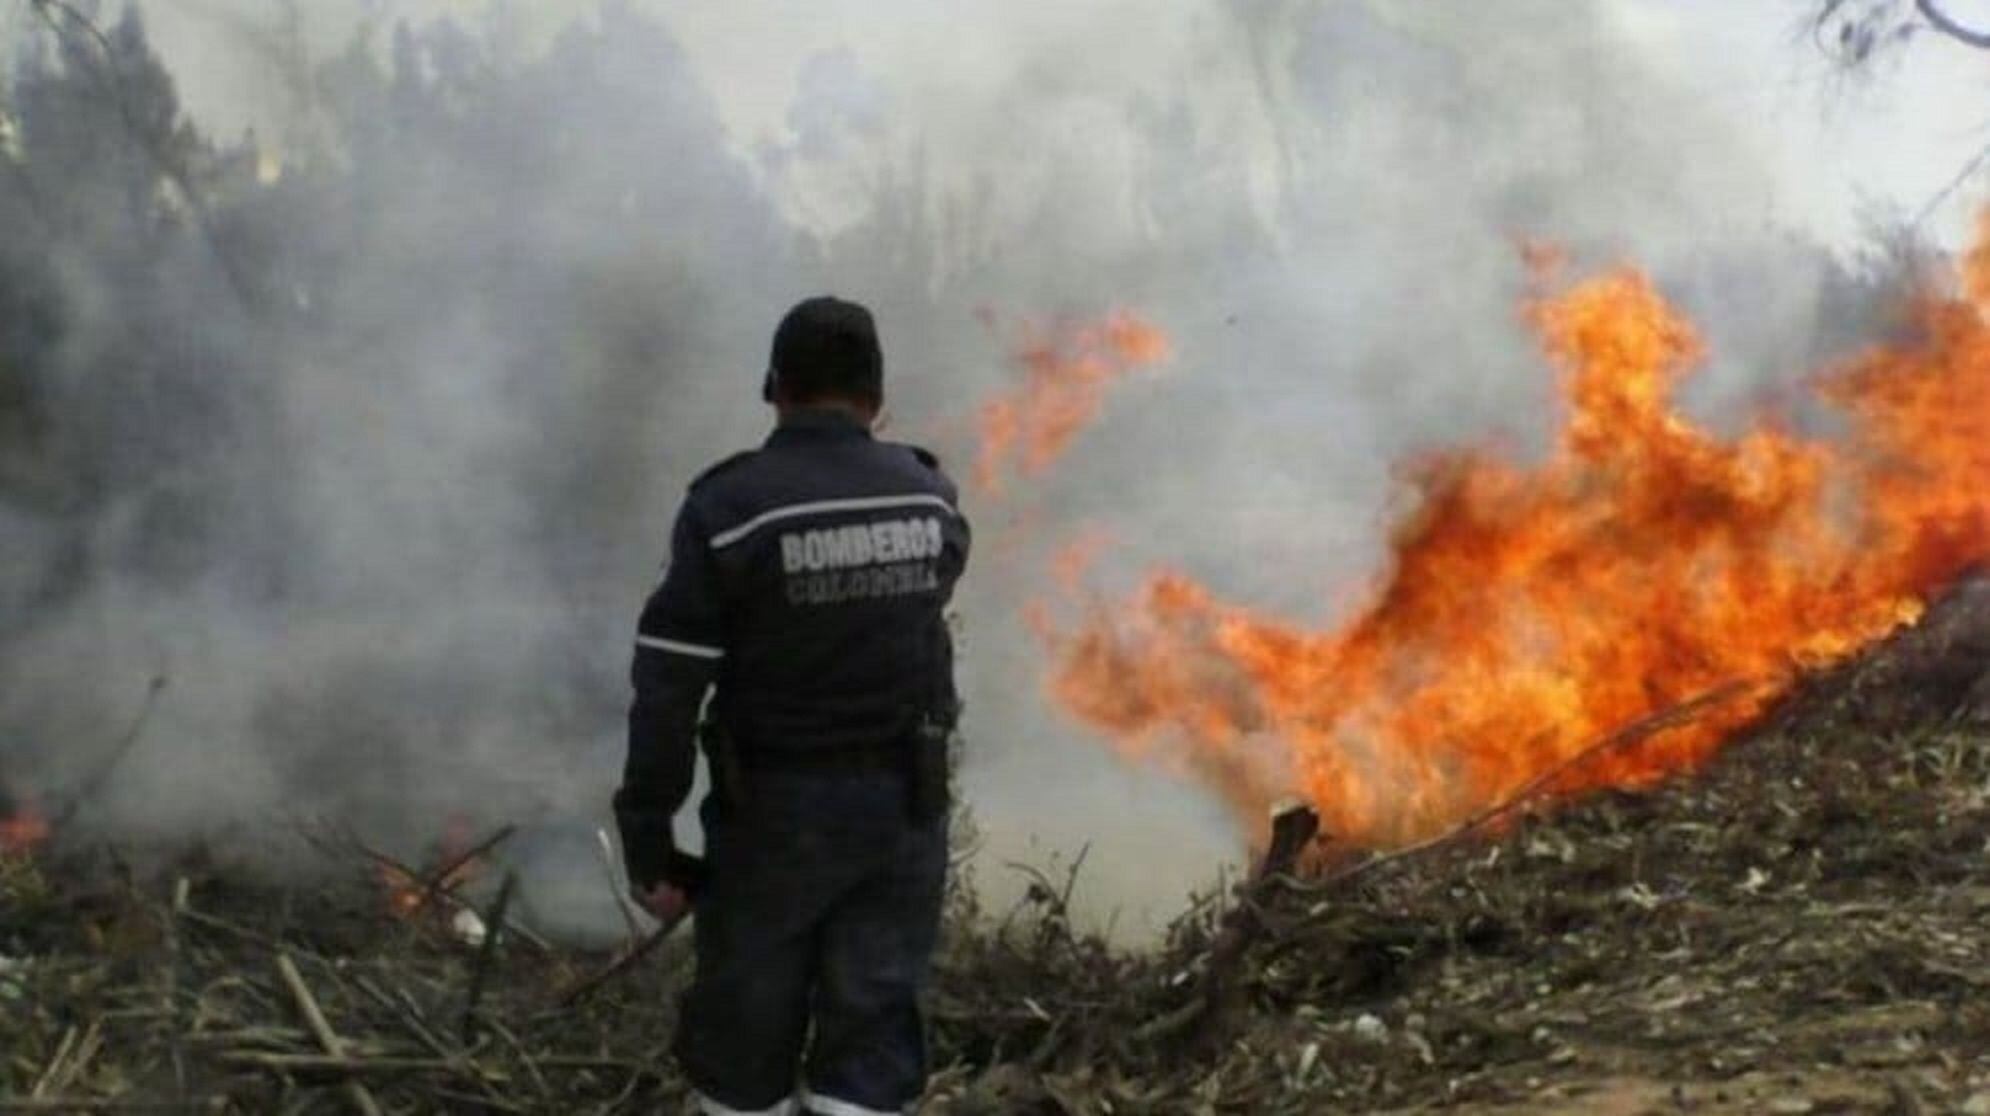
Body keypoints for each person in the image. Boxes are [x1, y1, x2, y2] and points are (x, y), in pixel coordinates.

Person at [614, 296, 971, 1116]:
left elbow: (668, 688)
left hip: (773, 820)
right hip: (902, 815)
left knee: (744, 1046)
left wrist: (648, 839)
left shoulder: (727, 510)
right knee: (871, 1046)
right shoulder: (932, 501)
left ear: (773, 386)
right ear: (878, 397)